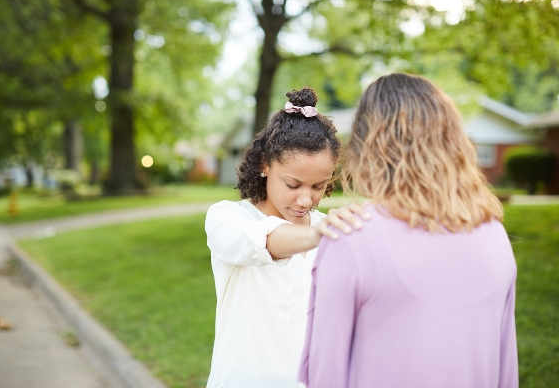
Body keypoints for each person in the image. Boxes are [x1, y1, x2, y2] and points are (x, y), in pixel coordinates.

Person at [298, 73, 518, 388]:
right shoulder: (494, 235)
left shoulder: (352, 236)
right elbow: (506, 371)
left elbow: (326, 375)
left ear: (366, 144)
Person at [205, 87, 368, 388]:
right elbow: (261, 242)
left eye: (318, 186)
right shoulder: (228, 218)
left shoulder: (327, 230)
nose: (306, 199)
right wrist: (321, 233)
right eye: (293, 184)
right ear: (265, 164)